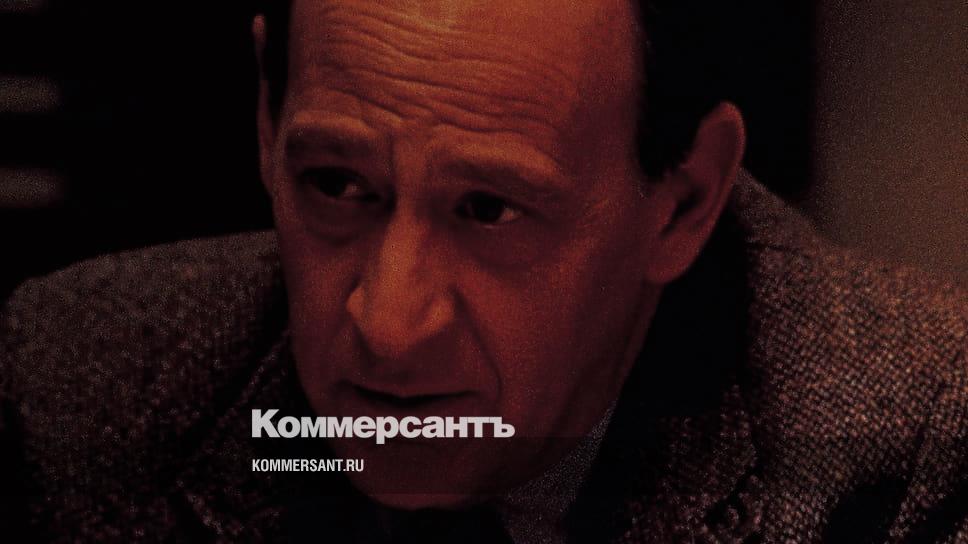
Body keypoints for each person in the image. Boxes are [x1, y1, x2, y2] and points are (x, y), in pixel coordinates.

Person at [2, 0, 966, 542]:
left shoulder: (917, 441)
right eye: (337, 185)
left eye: (490, 209)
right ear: (267, 118)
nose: (388, 325)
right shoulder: (73, 378)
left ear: (684, 202)